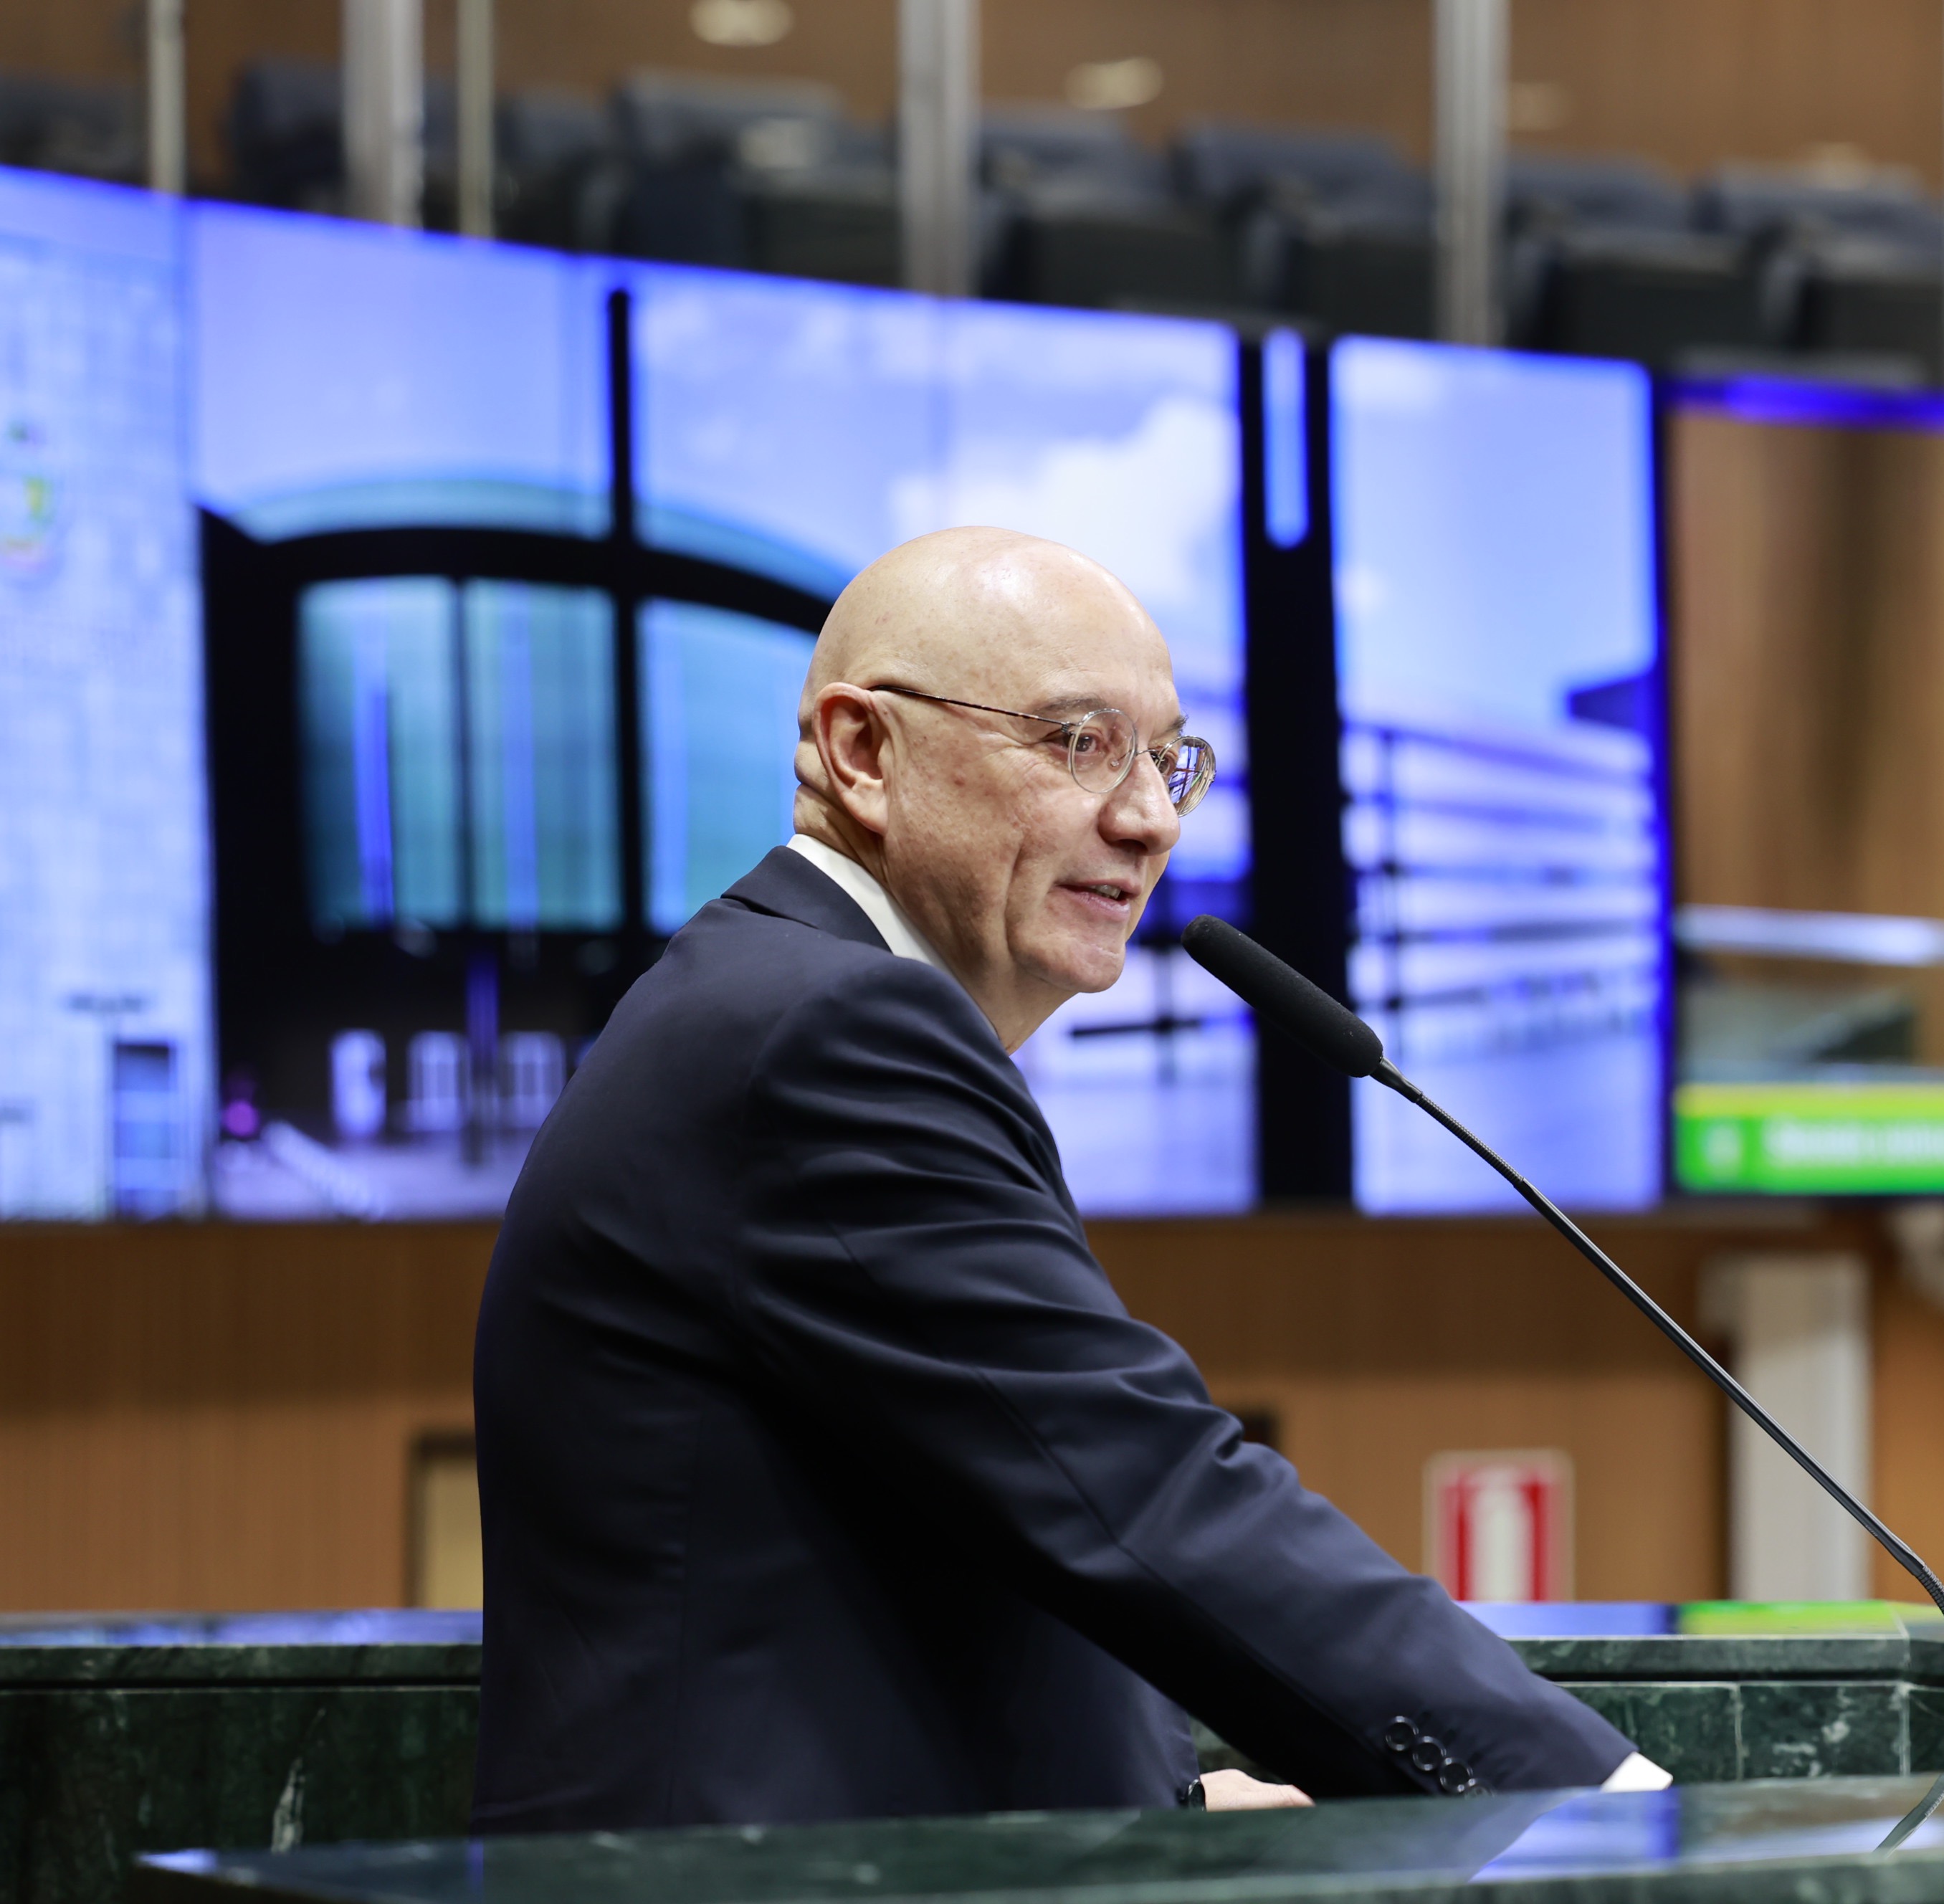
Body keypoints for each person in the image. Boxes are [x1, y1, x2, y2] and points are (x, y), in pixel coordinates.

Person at [473, 528, 1664, 1832]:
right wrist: (1600, 1807)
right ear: (863, 752)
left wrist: (1168, 1803)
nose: (1151, 818)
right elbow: (1135, 1488)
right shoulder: (825, 1033)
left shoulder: (788, 1003)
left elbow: (955, 1536)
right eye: (1080, 743)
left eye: (1169, 759)